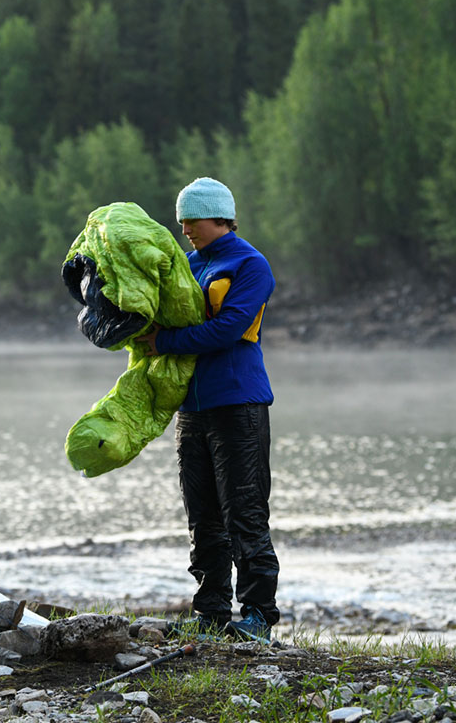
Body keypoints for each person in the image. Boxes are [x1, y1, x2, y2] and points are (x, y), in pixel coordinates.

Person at [134, 176, 280, 642]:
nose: (184, 230)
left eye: (190, 220)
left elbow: (228, 329)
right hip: (191, 410)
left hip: (239, 403)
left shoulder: (251, 265)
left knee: (245, 513)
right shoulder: (188, 264)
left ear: (218, 215)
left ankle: (258, 615)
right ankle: (212, 610)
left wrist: (164, 342)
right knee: (202, 516)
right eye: (180, 222)